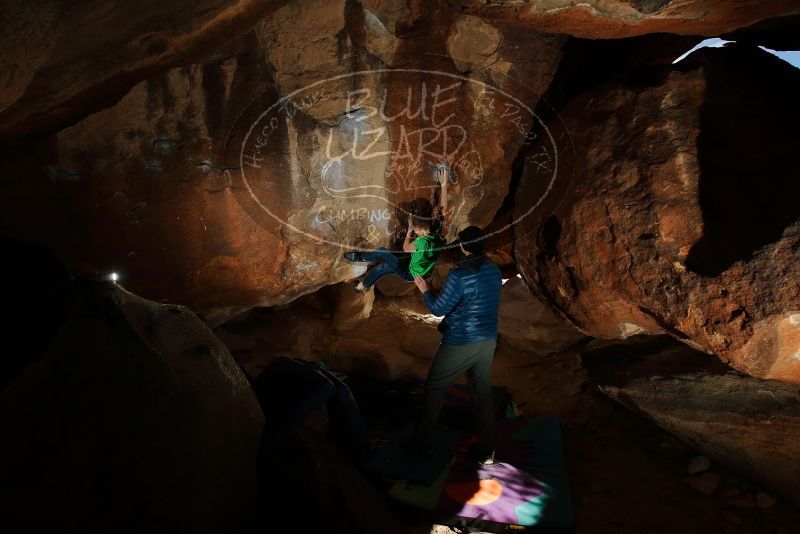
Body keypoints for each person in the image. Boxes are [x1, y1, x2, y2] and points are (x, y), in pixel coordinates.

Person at [409, 225, 502, 464]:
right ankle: (487, 451)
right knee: (481, 393)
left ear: (463, 246)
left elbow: (438, 309)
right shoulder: (493, 270)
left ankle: (421, 447)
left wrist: (426, 290)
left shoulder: (459, 275)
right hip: (487, 340)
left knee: (434, 389)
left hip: (461, 341)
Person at [344, 167, 449, 291]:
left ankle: (361, 257)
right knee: (381, 269)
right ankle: (360, 287)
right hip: (420, 270)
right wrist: (444, 184)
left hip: (409, 273)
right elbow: (443, 208)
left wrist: (409, 230)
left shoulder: (421, 242)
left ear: (417, 230)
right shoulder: (436, 233)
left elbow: (406, 248)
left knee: (382, 252)